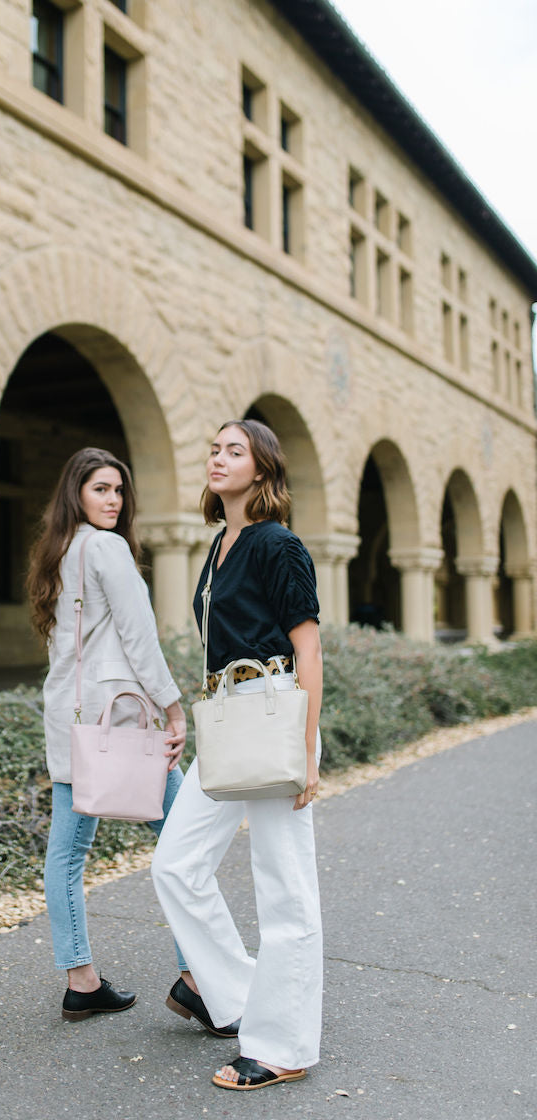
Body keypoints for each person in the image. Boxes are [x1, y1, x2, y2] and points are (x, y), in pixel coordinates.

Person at [151, 418, 323, 1091]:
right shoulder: (220, 543)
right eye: (214, 448)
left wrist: (308, 751)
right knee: (177, 863)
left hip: (279, 715)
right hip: (230, 719)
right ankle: (237, 997)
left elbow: (307, 647)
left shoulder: (278, 546)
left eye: (234, 450)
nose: (218, 458)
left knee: (285, 887)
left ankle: (282, 1045)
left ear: (262, 468)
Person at [26, 447, 188, 1022]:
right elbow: (140, 636)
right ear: (77, 494)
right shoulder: (109, 548)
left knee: (67, 853)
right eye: (100, 489)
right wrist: (173, 708)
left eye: (118, 490)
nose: (113, 500)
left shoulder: (59, 551)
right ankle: (197, 976)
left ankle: (81, 981)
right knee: (186, 837)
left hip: (74, 724)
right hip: (121, 723)